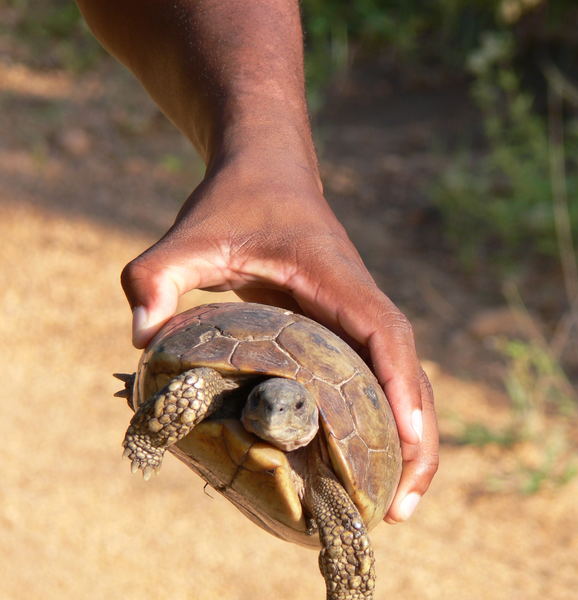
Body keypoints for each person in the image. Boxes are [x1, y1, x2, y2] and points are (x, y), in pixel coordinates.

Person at [76, 0, 438, 524]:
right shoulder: (219, 388)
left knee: (345, 534)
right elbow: (200, 382)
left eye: (286, 408)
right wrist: (151, 431)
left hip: (315, 471)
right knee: (195, 385)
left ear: (310, 416)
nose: (270, 414)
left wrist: (264, 148)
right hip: (217, 378)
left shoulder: (321, 466)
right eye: (266, 403)